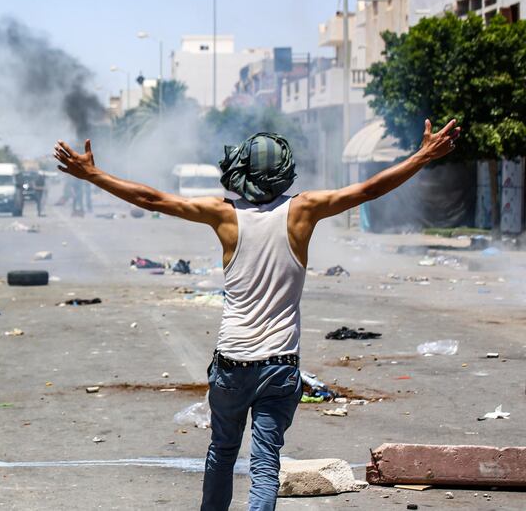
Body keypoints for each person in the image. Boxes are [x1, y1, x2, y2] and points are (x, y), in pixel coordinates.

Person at [53, 118, 460, 511]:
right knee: (265, 464)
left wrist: (93, 175)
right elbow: (370, 189)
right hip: (279, 367)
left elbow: (152, 199)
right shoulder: (304, 211)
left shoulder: (224, 215)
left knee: (222, 451)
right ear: (284, 173)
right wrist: (421, 156)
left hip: (232, 363)